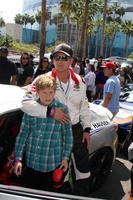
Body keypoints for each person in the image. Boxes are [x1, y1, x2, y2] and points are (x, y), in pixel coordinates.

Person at [21, 43, 91, 196]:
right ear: (52, 60)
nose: (60, 61)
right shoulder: (42, 79)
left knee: (83, 169)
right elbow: (25, 103)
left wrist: (87, 128)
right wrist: (50, 112)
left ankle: (81, 195)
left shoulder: (80, 81)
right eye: (56, 57)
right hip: (53, 131)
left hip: (76, 129)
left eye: (64, 58)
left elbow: (84, 106)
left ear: (71, 60)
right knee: (57, 172)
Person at [14, 74, 73, 191]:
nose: (48, 96)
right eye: (44, 93)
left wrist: (65, 158)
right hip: (31, 162)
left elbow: (68, 136)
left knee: (47, 193)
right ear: (38, 92)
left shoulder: (62, 109)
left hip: (51, 163)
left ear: (55, 92)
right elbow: (23, 134)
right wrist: (18, 158)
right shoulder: (31, 109)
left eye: (51, 92)